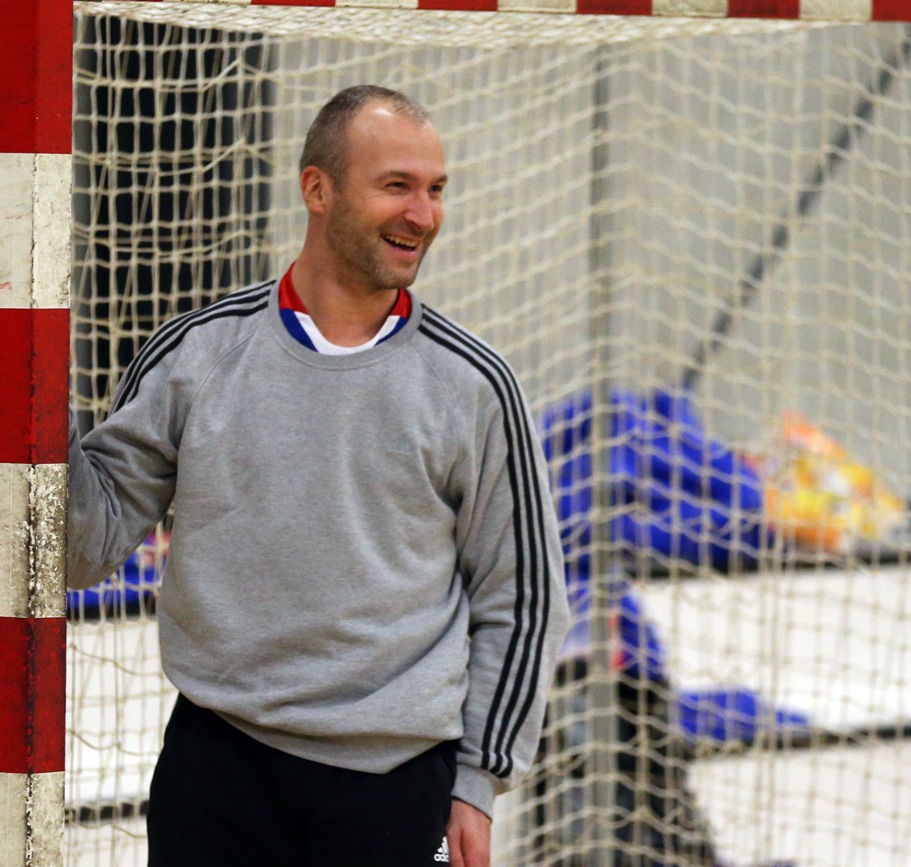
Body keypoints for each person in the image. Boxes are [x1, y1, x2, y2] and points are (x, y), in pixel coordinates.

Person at [66, 85, 569, 867]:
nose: (424, 214)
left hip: (398, 788)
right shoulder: (196, 355)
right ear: (317, 189)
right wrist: (30, 404)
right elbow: (81, 551)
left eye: (436, 190)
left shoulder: (475, 385)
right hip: (216, 769)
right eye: (397, 185)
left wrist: (478, 779)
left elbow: (524, 597)